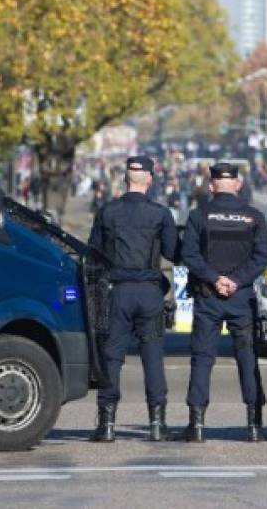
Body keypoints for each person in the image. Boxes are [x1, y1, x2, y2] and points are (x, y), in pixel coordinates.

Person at [88, 155, 178, 443]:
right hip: (150, 291)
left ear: (125, 179)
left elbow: (94, 253)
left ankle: (107, 423)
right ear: (150, 179)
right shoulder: (160, 214)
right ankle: (156, 422)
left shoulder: (108, 212)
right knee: (152, 357)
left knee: (112, 357)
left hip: (118, 291)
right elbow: (173, 253)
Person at [177, 162, 267, 443]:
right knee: (247, 358)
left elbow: (189, 255)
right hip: (241, 297)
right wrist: (236, 281)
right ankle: (254, 425)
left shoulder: (199, 215)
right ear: (238, 185)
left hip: (209, 296)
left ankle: (197, 425)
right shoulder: (254, 217)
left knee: (203, 359)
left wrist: (215, 279)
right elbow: (261, 257)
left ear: (212, 185)